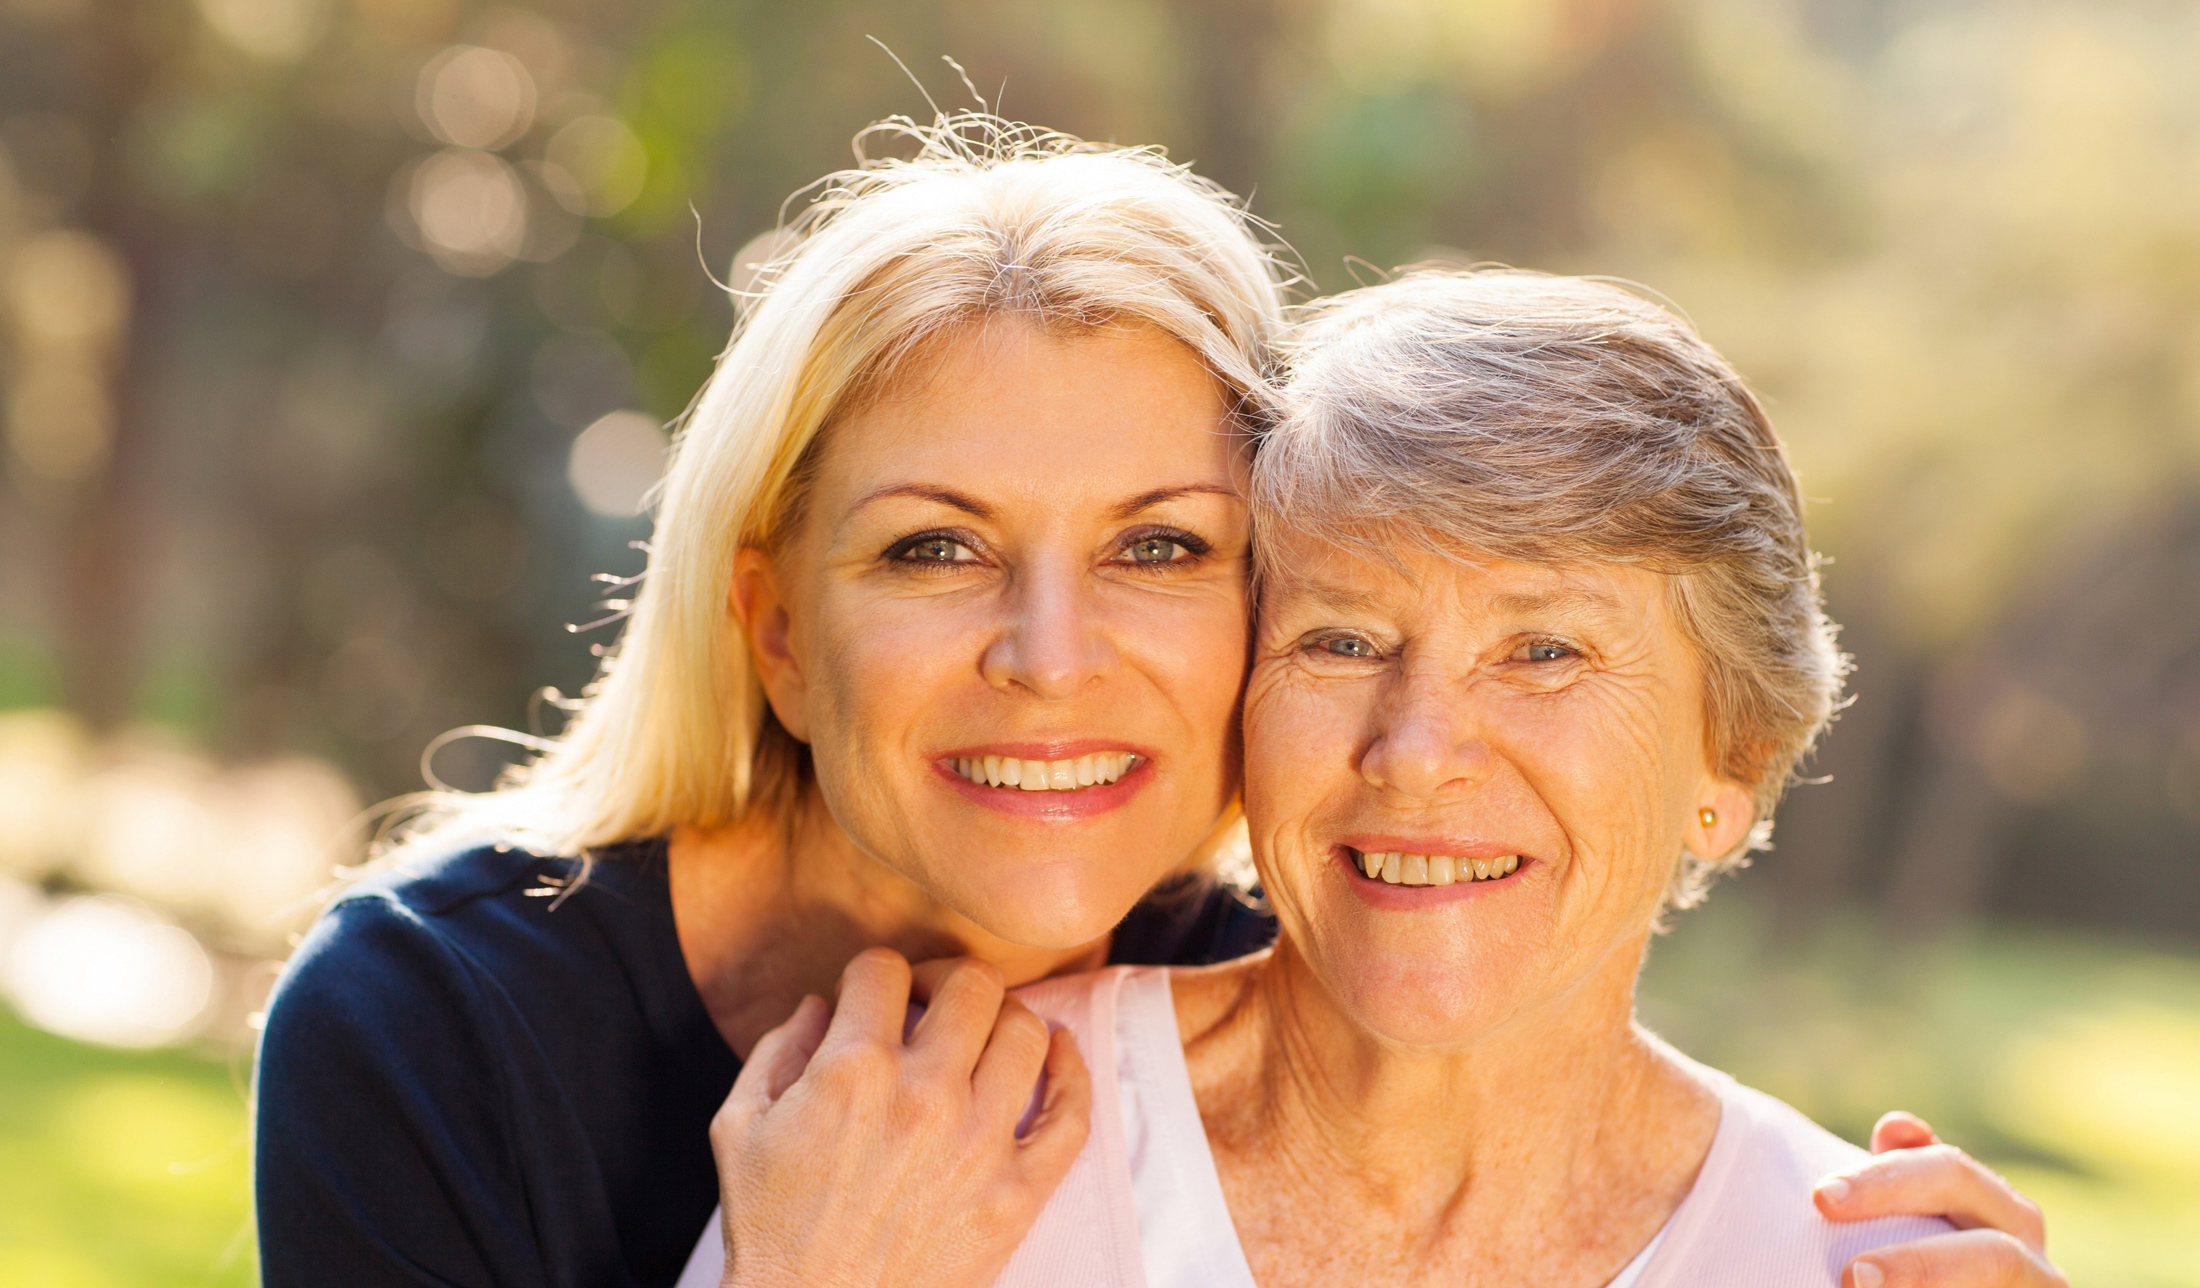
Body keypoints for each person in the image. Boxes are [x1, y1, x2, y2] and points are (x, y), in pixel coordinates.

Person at [252, 120, 2057, 1288]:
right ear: (774, 630)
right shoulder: (443, 1029)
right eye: (938, 550)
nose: (1053, 655)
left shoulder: (1314, 950)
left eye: (1165, 548)